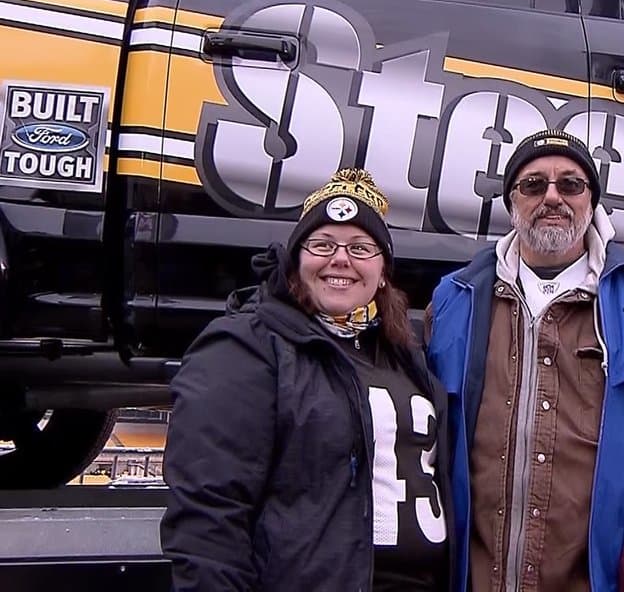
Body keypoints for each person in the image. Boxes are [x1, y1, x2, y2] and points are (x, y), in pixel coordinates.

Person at [424, 129, 624, 592]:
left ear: (592, 202)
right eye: (533, 185)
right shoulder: (456, 298)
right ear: (511, 202)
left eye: (571, 185)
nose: (552, 197)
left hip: (605, 578)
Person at [162, 169, 452, 591]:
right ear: (296, 261)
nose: (340, 259)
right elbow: (209, 513)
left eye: (360, 247)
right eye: (322, 244)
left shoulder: (405, 354)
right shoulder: (247, 346)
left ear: (384, 271)